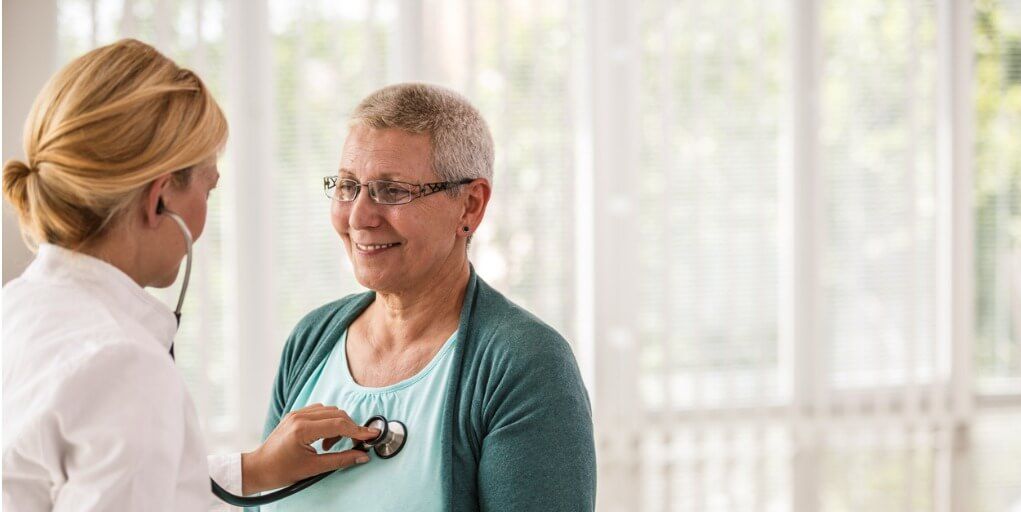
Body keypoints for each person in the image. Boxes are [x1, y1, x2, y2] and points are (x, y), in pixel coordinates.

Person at [1, 39, 378, 511]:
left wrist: (255, 468)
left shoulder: (17, 310)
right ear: (160, 198)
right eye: (208, 188)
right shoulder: (122, 365)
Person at [258, 83, 596, 511]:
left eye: (393, 190)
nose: (360, 216)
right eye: (347, 186)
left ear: (470, 206)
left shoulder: (525, 365)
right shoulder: (311, 340)